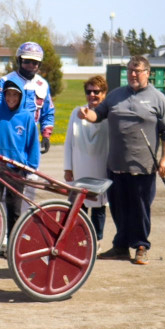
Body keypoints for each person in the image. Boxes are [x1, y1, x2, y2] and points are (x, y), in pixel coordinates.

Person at [78, 56, 165, 265]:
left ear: (147, 73)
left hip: (143, 167)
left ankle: (141, 246)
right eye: (130, 70)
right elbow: (98, 115)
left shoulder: (158, 98)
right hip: (116, 166)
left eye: (137, 70)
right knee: (118, 209)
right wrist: (87, 115)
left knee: (140, 210)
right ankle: (121, 247)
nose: (132, 74)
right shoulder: (115, 96)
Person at [0, 80, 41, 241]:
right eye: (8, 94)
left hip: (17, 168)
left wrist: (31, 167)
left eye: (15, 95)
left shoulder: (26, 117)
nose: (11, 98)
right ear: (3, 95)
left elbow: (33, 144)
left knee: (14, 208)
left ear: (20, 96)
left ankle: (12, 243)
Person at [0, 41, 55, 155]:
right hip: (6, 139)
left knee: (30, 171)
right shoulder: (4, 82)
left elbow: (48, 112)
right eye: (26, 61)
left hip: (30, 141)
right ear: (19, 60)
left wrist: (46, 135)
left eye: (35, 62)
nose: (31, 65)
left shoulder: (43, 85)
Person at [63, 75, 110, 241]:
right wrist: (68, 168)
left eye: (96, 92)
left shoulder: (109, 115)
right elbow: (68, 142)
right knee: (78, 207)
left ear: (104, 93)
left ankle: (96, 241)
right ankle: (78, 240)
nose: (92, 95)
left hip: (100, 168)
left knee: (98, 208)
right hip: (79, 169)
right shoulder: (76, 113)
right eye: (89, 91)